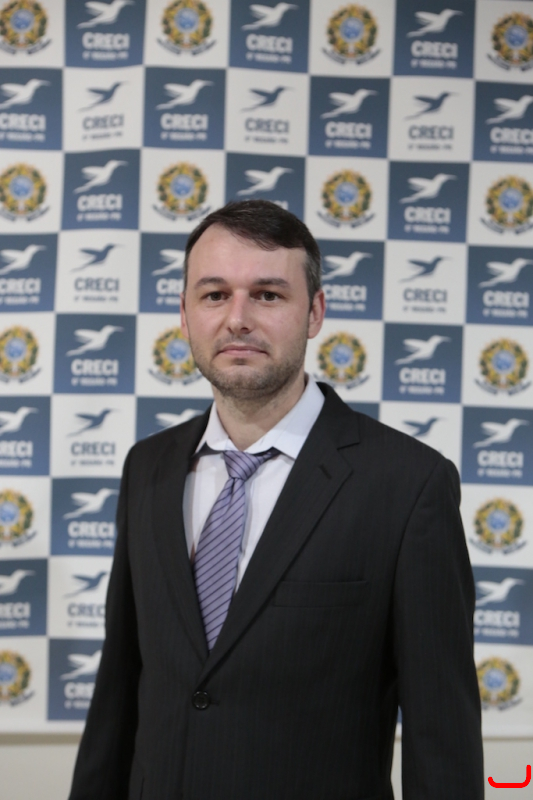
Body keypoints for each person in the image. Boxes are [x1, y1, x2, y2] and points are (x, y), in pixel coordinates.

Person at [68, 200, 484, 800]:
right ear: (184, 313)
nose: (237, 319)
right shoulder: (148, 468)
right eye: (214, 295)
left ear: (314, 312)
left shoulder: (409, 484)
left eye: (267, 294)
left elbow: (441, 737)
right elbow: (118, 691)